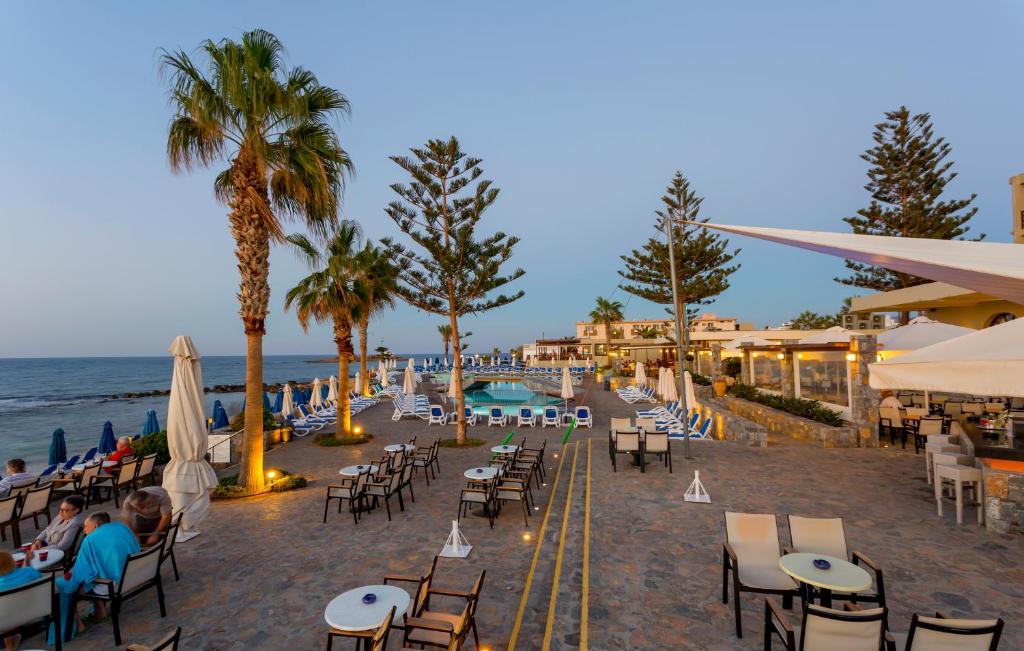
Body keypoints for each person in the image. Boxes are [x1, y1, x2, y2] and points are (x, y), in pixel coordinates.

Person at [52, 512, 140, 641]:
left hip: (113, 586)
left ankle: (78, 625)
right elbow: (136, 547)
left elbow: (80, 573)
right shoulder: (122, 527)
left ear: (97, 525)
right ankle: (100, 612)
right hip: (134, 575)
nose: (84, 529)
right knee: (96, 570)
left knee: (63, 585)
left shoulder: (90, 540)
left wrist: (70, 580)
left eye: (86, 526)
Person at [1, 549, 45, 650]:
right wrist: (27, 561)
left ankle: (10, 645)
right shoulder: (29, 572)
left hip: (5, 620)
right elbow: (35, 577)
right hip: (31, 613)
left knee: (6, 611)